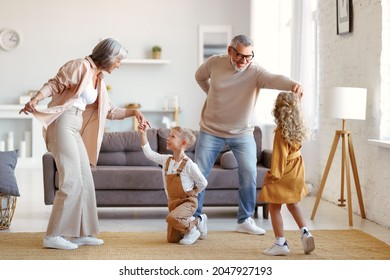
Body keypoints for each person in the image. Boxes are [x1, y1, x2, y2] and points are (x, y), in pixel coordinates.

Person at [19, 38, 150, 250]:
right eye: (118, 60)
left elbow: (109, 111)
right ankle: (53, 235)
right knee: (71, 180)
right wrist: (36, 99)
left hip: (75, 127)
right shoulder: (80, 65)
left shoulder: (98, 79)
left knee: (85, 180)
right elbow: (55, 84)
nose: (119, 65)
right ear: (108, 56)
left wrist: (135, 112)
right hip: (63, 123)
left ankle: (80, 233)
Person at [194, 34, 304, 237]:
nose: (243, 61)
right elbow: (199, 76)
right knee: (198, 175)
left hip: (242, 133)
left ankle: (244, 220)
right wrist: (210, 93)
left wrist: (292, 85)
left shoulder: (254, 72)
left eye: (248, 56)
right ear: (230, 51)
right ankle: (194, 220)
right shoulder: (214, 63)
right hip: (211, 129)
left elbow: (274, 78)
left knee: (249, 174)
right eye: (240, 56)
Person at [258, 91, 314, 256]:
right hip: (297, 170)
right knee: (292, 203)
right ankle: (305, 232)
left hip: (285, 171)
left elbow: (279, 158)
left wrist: (272, 175)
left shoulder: (281, 132)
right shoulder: (298, 128)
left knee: (274, 206)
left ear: (278, 109)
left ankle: (280, 243)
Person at [138, 124, 208, 245]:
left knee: (171, 218)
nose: (168, 138)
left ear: (183, 143)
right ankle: (197, 220)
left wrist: (195, 191)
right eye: (169, 135)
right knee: (172, 239)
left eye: (172, 136)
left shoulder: (189, 164)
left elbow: (203, 182)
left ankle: (192, 229)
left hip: (188, 202)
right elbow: (149, 154)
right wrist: (143, 134)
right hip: (173, 203)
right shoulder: (166, 160)